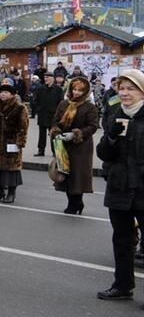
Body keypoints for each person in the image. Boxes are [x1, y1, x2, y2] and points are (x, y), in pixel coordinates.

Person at [94, 69, 144, 302]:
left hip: (142, 187)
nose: (124, 93)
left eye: (130, 88)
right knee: (121, 239)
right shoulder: (115, 114)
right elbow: (104, 153)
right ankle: (122, 285)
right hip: (120, 187)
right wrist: (111, 137)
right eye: (121, 88)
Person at [50, 76, 99, 215]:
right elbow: (55, 120)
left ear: (86, 92)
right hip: (63, 145)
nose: (76, 92)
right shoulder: (63, 104)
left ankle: (75, 203)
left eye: (80, 90)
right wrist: (56, 131)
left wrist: (76, 134)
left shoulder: (90, 107)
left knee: (77, 176)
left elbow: (93, 126)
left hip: (81, 146)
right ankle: (73, 202)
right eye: (74, 89)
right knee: (65, 175)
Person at [0, 80, 29, 204]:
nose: (3, 94)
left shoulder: (20, 107)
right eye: (2, 92)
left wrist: (20, 142)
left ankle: (11, 193)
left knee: (11, 169)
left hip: (12, 142)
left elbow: (23, 126)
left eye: (6, 92)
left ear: (12, 94)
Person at [33, 73, 64, 156]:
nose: (46, 79)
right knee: (42, 134)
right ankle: (41, 150)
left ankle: (55, 151)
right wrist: (38, 109)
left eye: (48, 77)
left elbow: (61, 102)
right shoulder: (40, 88)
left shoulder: (58, 89)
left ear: (53, 78)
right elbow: (35, 100)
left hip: (53, 115)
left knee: (54, 134)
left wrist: (58, 114)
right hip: (42, 114)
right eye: (45, 77)